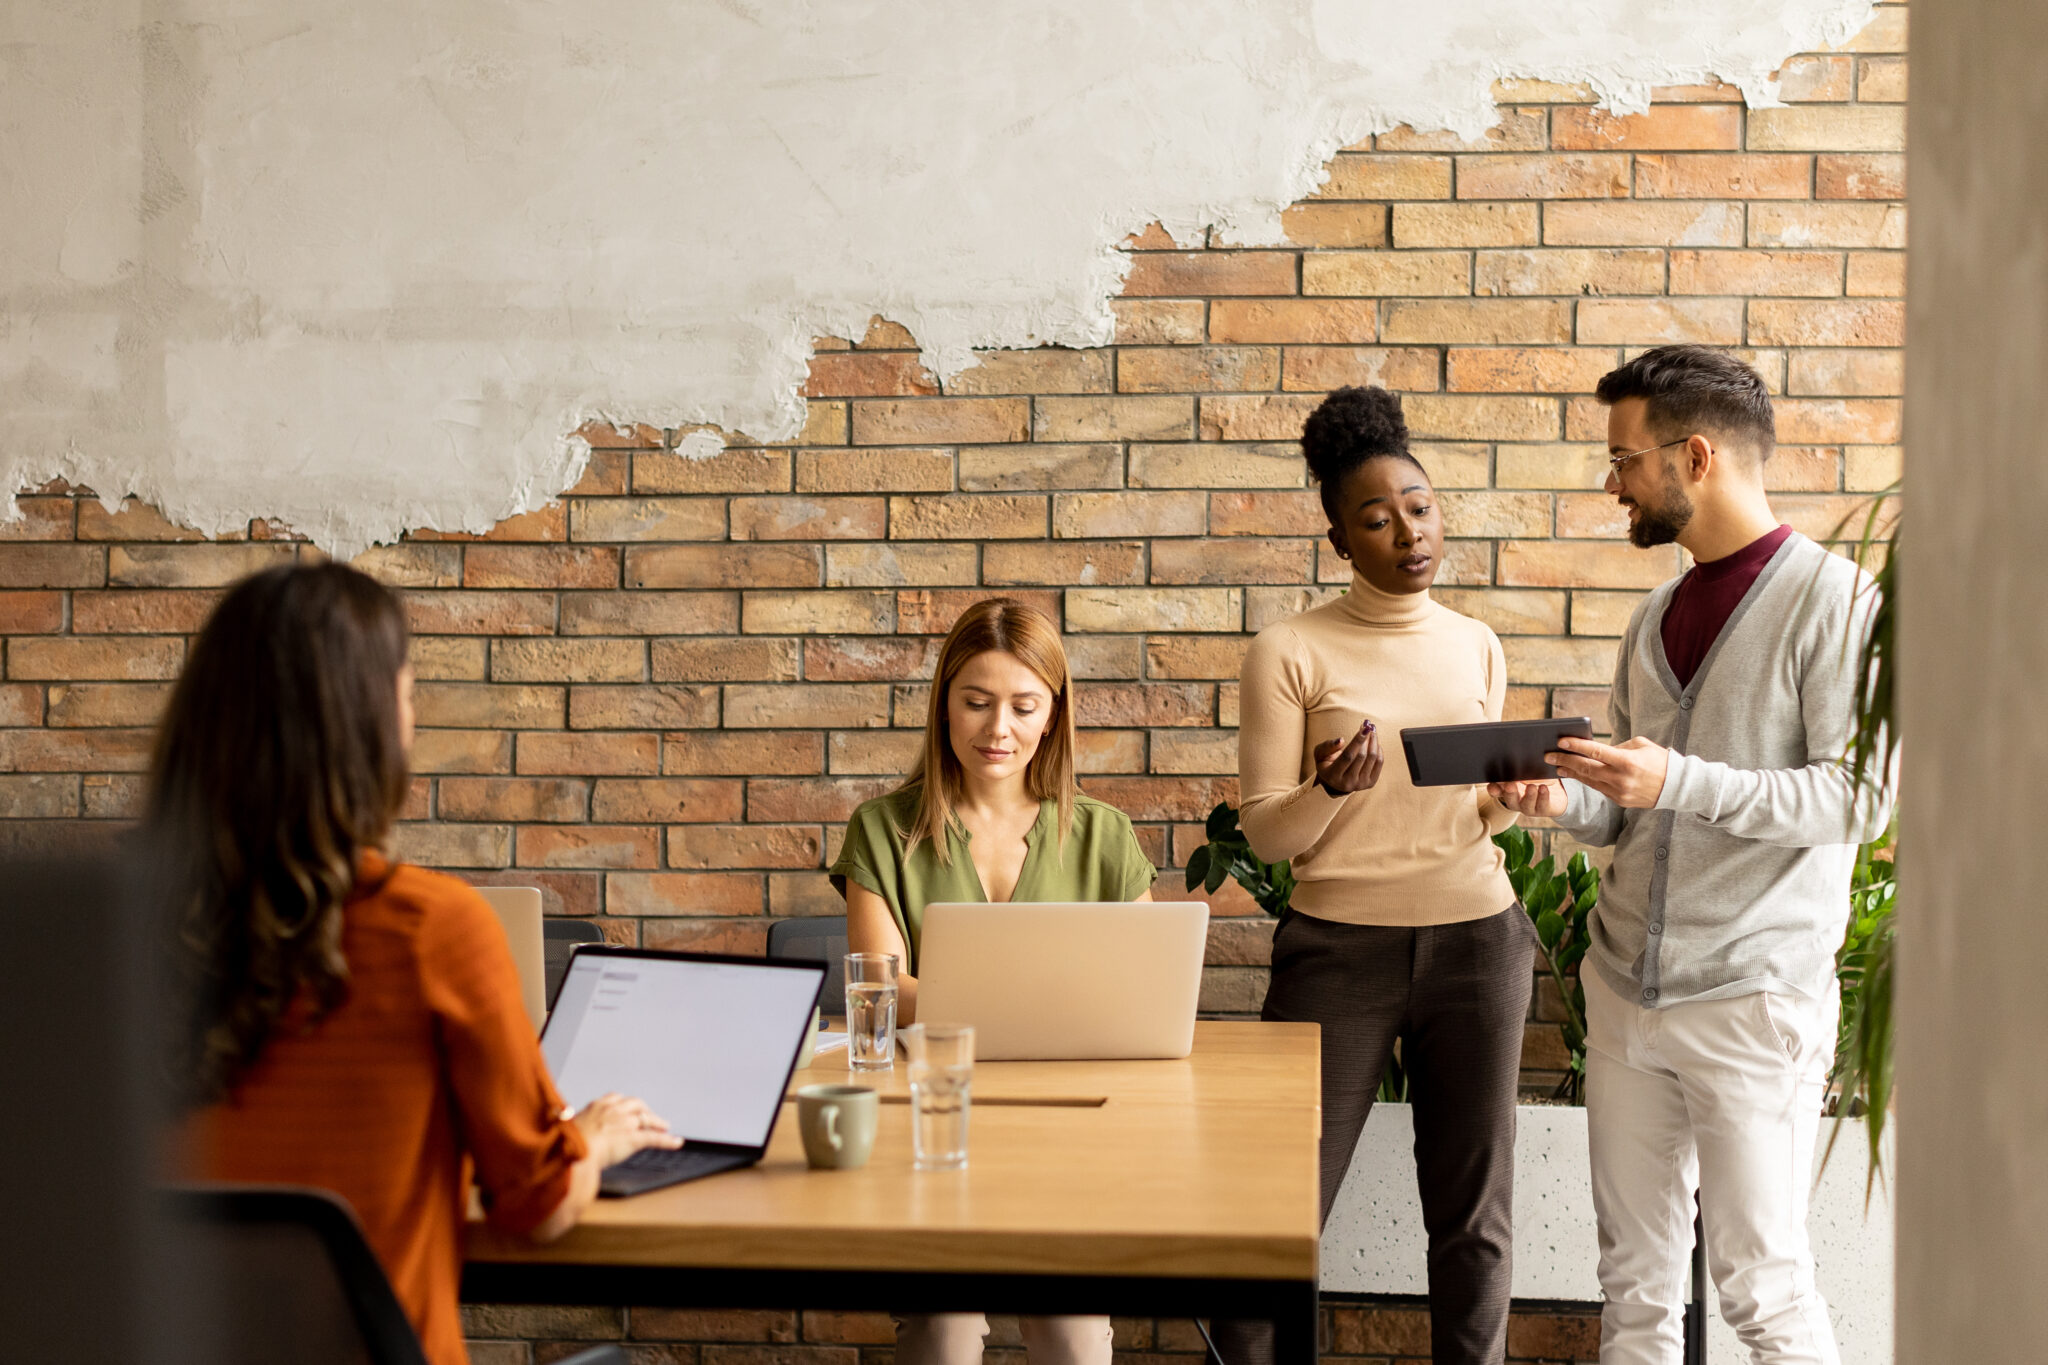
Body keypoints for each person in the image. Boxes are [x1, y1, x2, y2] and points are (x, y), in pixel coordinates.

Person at [159, 563, 680, 1365]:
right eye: (407, 695)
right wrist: (596, 1137)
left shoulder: (107, 941)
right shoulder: (434, 930)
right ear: (368, 730)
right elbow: (539, 1204)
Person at [1489, 345, 1893, 1365]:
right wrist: (1562, 801)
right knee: (1632, 1295)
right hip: (1626, 996)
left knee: (1764, 1293)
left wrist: (1677, 780)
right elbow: (1631, 814)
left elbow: (1861, 798)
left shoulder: (1836, 602)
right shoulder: (1653, 616)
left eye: (1623, 459)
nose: (1611, 482)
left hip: (1752, 1000)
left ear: (1695, 457)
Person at [1215, 386, 1530, 1365]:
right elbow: (1267, 834)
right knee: (1274, 1211)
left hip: (1477, 941)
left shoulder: (1475, 644)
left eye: (1419, 507)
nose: (1408, 531)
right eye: (1377, 517)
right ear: (1338, 539)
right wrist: (1328, 790)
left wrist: (1509, 799)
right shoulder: (1288, 649)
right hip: (1338, 952)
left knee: (1472, 1217)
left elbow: (1473, 810)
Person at [829, 596, 1155, 1365]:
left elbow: (1143, 995)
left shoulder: (1105, 835)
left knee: (1074, 1335)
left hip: (1072, 1132)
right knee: (942, 1332)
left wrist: (956, 1003)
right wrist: (1049, 1008)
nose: (997, 728)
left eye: (1022, 706)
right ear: (944, 704)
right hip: (928, 1125)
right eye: (976, 702)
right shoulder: (882, 828)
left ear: (1053, 714)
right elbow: (882, 994)